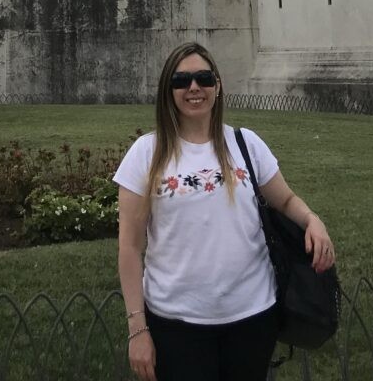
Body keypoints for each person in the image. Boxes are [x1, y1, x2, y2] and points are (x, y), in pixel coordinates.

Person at [115, 41, 335, 381]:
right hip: (177, 323)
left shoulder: (245, 143)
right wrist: (137, 328)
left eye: (203, 78)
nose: (194, 88)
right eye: (181, 81)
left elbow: (286, 200)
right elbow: (130, 248)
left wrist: (312, 220)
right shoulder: (146, 153)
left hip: (252, 316)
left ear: (217, 86)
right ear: (168, 90)